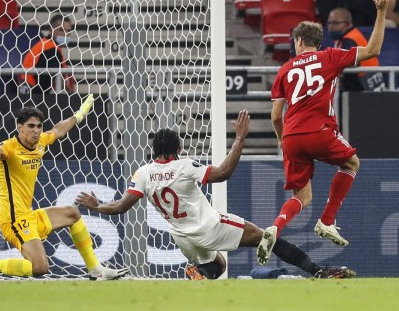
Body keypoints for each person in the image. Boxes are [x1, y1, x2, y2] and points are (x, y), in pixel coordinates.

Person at [76, 112, 355, 280]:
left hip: (182, 237)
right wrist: (240, 139)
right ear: (177, 147)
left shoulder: (144, 173)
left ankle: (199, 276)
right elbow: (223, 173)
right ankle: (319, 272)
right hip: (210, 226)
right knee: (269, 238)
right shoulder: (184, 166)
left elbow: (121, 207)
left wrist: (96, 205)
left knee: (218, 266)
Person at [257, 0, 389, 265]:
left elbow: (274, 115)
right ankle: (327, 221)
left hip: (292, 136)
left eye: (294, 41)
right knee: (351, 163)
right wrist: (381, 12)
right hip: (319, 131)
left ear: (301, 40)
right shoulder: (330, 56)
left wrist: (282, 139)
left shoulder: (285, 69)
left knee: (301, 196)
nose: (294, 46)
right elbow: (373, 49)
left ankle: (275, 227)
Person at [0, 94, 130, 281]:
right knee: (39, 267)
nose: (36, 131)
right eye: (31, 126)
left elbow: (59, 130)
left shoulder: (41, 142)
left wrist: (79, 115)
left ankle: (96, 270)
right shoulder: (10, 148)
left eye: (39, 126)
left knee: (72, 213)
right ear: (20, 128)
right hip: (13, 220)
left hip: (28, 214)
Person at [327, 7, 385, 91]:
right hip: (372, 81)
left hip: (362, 86)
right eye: (329, 23)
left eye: (336, 23)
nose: (331, 27)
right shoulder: (350, 35)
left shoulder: (350, 40)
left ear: (348, 23)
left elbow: (349, 63)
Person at [19, 14, 76, 94]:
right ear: (51, 30)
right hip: (33, 94)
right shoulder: (51, 50)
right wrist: (72, 95)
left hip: (27, 90)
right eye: (61, 30)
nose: (65, 34)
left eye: (68, 31)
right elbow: (57, 80)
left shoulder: (46, 44)